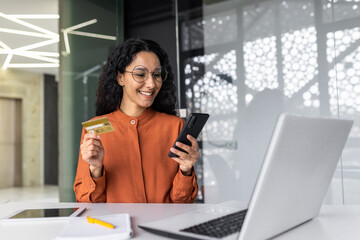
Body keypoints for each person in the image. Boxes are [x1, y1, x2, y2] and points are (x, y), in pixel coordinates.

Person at [73, 39, 199, 203]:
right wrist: (95, 169)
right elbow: (86, 204)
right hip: (115, 228)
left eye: (157, 75)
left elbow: (182, 204)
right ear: (120, 78)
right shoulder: (96, 128)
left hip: (161, 226)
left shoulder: (175, 127)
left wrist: (186, 169)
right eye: (140, 74)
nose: (151, 84)